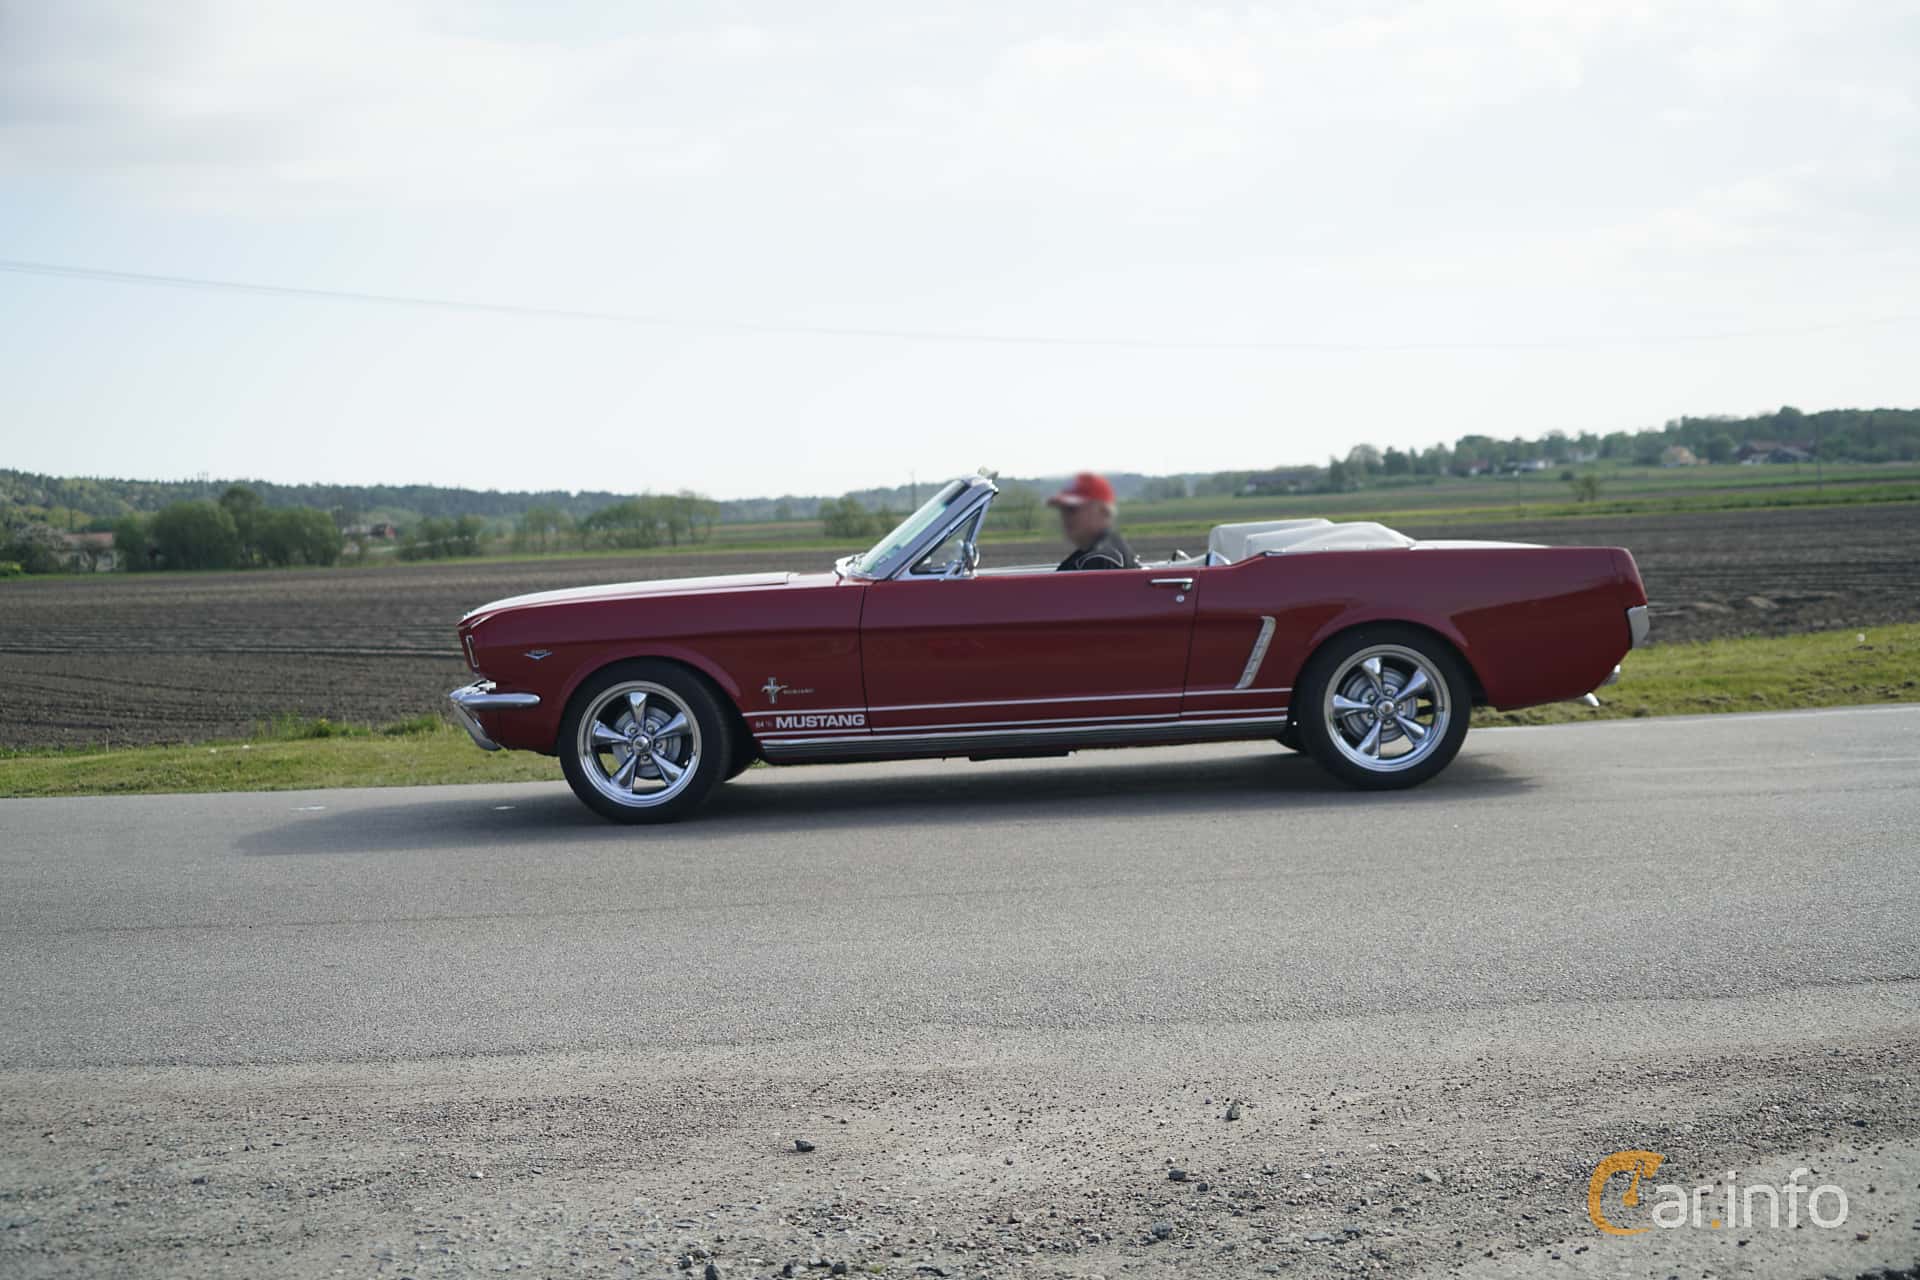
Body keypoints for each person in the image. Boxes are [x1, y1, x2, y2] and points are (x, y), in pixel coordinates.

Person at [1047, 472, 1139, 571]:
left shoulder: (1099, 559)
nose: (1065, 517)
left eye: (1072, 509)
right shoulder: (1105, 550)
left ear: (1103, 511)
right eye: (1063, 510)